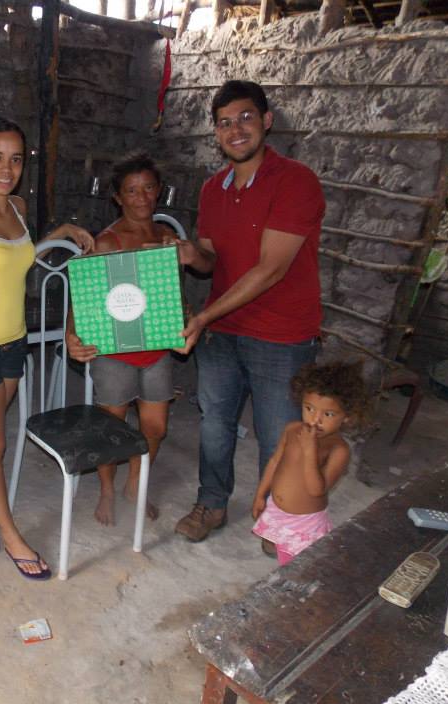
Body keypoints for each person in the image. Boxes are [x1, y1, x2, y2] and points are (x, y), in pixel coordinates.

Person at [0, 117, 94, 580]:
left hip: (13, 344)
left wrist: (59, 231)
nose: (6, 169)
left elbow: (15, 259)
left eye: (15, 159)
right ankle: (12, 536)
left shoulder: (19, 208)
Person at [173, 80, 325, 542]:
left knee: (277, 433)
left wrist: (202, 317)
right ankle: (212, 504)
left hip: (282, 334)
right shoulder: (212, 189)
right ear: (216, 133)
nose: (235, 130)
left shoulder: (295, 181)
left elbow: (271, 269)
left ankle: (278, 517)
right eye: (224, 123)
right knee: (215, 423)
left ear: (266, 121)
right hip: (224, 331)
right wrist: (191, 255)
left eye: (245, 118)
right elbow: (211, 260)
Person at [66, 153, 181, 526]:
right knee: (111, 431)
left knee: (155, 428)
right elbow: (83, 295)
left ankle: (135, 484)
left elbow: (171, 294)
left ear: (158, 190)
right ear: (118, 197)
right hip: (114, 352)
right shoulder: (107, 242)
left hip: (157, 349)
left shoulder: (167, 240)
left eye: (148, 188)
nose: (141, 197)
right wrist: (71, 333)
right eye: (131, 190)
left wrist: (184, 317)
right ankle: (106, 490)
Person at [251, 362, 366, 565]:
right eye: (309, 408)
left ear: (347, 417)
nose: (315, 419)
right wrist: (261, 494)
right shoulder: (292, 429)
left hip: (303, 523)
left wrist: (309, 450)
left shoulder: (339, 450)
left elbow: (316, 490)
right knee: (276, 542)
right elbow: (275, 461)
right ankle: (275, 539)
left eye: (328, 414)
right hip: (276, 509)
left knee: (294, 566)